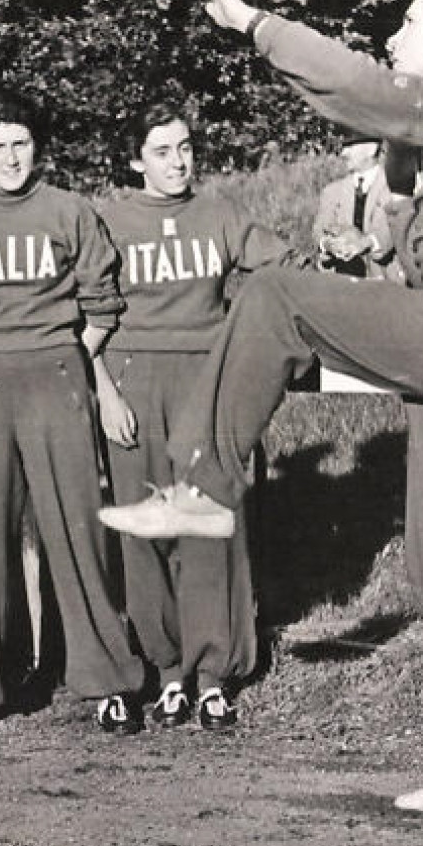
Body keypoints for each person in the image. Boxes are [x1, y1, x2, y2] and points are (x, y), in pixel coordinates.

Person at [101, 0, 423, 820]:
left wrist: (252, 24)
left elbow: (363, 88)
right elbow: (394, 201)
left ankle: (201, 484)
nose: (392, 41)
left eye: (406, 31)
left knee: (274, 293)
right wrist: (393, 168)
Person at [0, 89, 146, 734]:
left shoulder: (68, 210)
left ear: (36, 147)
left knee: (76, 527)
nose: (11, 156)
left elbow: (102, 300)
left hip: (57, 374)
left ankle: (108, 681)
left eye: (20, 142)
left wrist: (60, 354)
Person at [92, 101, 304, 730]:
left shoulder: (219, 213)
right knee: (145, 525)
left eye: (184, 147)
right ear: (135, 161)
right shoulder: (107, 220)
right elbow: (84, 316)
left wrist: (244, 342)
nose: (178, 162)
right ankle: (166, 669)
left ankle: (213, 673)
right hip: (132, 381)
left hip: (206, 379)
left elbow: (280, 268)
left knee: (209, 520)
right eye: (161, 151)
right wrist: (103, 390)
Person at [312, 133, 403, 281]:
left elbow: (393, 230)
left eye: (350, 146)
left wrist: (364, 243)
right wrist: (327, 245)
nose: (343, 153)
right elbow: (319, 230)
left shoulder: (397, 187)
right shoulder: (331, 191)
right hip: (344, 284)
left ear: (371, 149)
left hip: (387, 284)